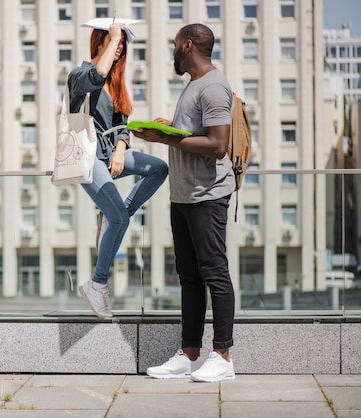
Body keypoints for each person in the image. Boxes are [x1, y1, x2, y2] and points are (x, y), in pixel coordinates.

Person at [132, 23, 236, 382]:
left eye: (175, 45)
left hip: (207, 196)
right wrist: (171, 128)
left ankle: (222, 356)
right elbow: (197, 134)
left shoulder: (214, 86)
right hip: (184, 195)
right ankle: (189, 354)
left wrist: (164, 139)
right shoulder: (193, 85)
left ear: (187, 45)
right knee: (190, 277)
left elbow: (217, 145)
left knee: (214, 273)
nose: (173, 52)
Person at [70, 19, 168, 319]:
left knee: (159, 168)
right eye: (115, 42)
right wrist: (114, 34)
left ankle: (116, 215)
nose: (120, 48)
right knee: (120, 222)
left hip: (111, 155)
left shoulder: (117, 85)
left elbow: (121, 126)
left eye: (123, 44)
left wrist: (122, 149)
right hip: (87, 158)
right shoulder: (80, 75)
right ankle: (97, 285)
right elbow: (96, 74)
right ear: (100, 42)